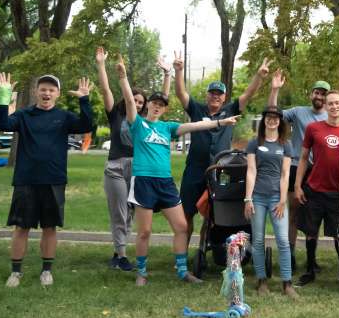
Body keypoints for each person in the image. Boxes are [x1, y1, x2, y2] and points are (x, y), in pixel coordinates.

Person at [117, 57, 237, 286]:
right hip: (144, 182)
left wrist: (221, 123)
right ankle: (141, 271)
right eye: (154, 103)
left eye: (161, 105)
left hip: (166, 183)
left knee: (182, 227)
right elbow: (130, 103)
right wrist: (123, 77)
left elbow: (196, 125)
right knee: (145, 232)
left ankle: (182, 272)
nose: (157, 106)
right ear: (148, 105)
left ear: (164, 109)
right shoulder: (138, 124)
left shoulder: (167, 127)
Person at [0, 71, 95, 288]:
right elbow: (2, 124)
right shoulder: (24, 115)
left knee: (50, 227)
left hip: (53, 180)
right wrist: (4, 96)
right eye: (43, 89)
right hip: (26, 179)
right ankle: (16, 272)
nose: (47, 93)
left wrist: (84, 99)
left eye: (51, 90)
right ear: (36, 92)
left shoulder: (64, 117)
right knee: (21, 227)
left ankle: (47, 271)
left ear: (57, 93)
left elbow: (87, 125)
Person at [173, 52, 268, 250]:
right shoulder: (197, 110)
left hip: (219, 172)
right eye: (212, 93)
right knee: (187, 214)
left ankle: (202, 250)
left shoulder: (230, 111)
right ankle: (182, 255)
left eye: (219, 94)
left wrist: (259, 76)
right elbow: (181, 94)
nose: (215, 96)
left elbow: (248, 94)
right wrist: (179, 71)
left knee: (213, 215)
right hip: (195, 170)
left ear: (224, 97)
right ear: (207, 95)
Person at [94, 47, 170, 272]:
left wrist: (167, 75)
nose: (137, 104)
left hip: (138, 170)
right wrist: (101, 64)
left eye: (140, 102)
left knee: (132, 212)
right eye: (134, 100)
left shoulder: (146, 122)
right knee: (120, 212)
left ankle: (119, 251)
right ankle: (121, 254)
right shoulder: (116, 114)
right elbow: (106, 89)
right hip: (116, 168)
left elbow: (162, 101)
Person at [266, 71, 330, 275]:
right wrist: (275, 89)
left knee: (314, 215)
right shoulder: (298, 112)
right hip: (295, 166)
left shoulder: (331, 116)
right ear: (311, 94)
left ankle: (312, 258)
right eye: (316, 93)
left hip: (318, 170)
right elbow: (273, 112)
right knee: (292, 211)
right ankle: (290, 256)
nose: (319, 97)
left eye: (323, 94)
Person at [293, 90, 339, 287]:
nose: (334, 106)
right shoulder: (313, 128)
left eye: (337, 103)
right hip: (314, 190)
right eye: (330, 104)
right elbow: (303, 158)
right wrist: (297, 185)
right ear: (326, 107)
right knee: (311, 232)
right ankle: (310, 269)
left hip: (338, 193)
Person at [243, 108, 297, 297]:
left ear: (280, 122)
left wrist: (283, 200)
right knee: (257, 240)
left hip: (277, 198)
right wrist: (248, 198)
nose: (272, 120)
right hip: (257, 197)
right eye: (269, 117)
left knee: (283, 240)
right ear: (264, 120)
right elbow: (251, 171)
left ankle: (287, 283)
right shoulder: (254, 143)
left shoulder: (286, 145)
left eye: (276, 118)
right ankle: (262, 280)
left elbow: (285, 174)